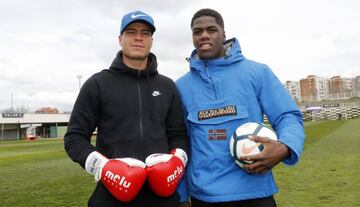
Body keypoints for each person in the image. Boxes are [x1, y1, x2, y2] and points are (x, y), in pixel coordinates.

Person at [175, 8, 305, 207]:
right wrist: (182, 196)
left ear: (224, 34)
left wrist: (285, 147)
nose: (204, 35)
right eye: (197, 32)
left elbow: (287, 116)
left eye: (211, 29)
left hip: (255, 193)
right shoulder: (181, 87)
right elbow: (179, 143)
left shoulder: (257, 72)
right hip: (204, 197)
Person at [64, 10, 188, 207]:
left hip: (163, 198)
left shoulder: (167, 86)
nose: (138, 37)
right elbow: (74, 138)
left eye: (145, 33)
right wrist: (103, 167)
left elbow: (179, 134)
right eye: (131, 32)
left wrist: (177, 161)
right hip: (111, 198)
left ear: (151, 41)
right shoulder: (98, 83)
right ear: (120, 39)